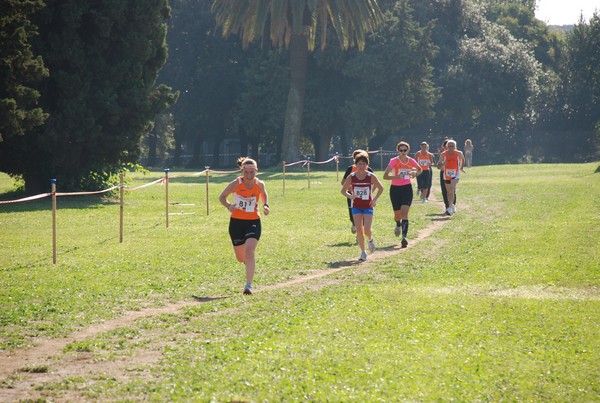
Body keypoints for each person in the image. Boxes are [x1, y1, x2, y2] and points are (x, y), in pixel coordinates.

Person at [218, 157, 270, 295]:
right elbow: (222, 197)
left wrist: (265, 205)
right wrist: (229, 206)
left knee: (249, 251)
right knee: (241, 258)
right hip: (236, 222)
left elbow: (264, 195)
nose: (249, 175)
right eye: (246, 172)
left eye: (252, 172)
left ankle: (248, 285)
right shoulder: (236, 183)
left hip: (253, 221)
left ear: (256, 171)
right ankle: (248, 263)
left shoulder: (260, 184)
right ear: (242, 171)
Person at [341, 150, 384, 261]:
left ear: (367, 165)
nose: (361, 166)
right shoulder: (352, 176)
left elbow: (381, 188)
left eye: (364, 164)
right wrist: (351, 196)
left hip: (368, 206)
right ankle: (363, 252)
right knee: (359, 230)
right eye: (359, 164)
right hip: (356, 206)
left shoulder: (371, 176)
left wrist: (374, 199)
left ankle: (370, 240)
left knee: (367, 230)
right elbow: (343, 190)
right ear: (356, 165)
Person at [383, 141, 422, 248]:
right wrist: (395, 177)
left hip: (406, 189)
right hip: (395, 190)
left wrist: (415, 173)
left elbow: (420, 170)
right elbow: (385, 176)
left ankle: (404, 237)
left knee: (404, 213)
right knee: (397, 215)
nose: (403, 152)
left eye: (405, 150)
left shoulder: (411, 161)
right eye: (401, 150)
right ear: (397, 151)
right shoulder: (394, 161)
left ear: (408, 150)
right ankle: (398, 224)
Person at [341, 150, 374, 234]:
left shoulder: (369, 170)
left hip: (365, 197)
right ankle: (354, 224)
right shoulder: (350, 169)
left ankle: (360, 233)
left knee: (364, 215)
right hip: (353, 195)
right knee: (352, 214)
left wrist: (370, 192)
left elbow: (374, 184)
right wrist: (351, 189)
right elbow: (343, 182)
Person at [437, 140, 466, 215]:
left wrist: (461, 167)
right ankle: (452, 205)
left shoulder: (459, 153)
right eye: (449, 146)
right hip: (446, 175)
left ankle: (450, 208)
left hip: (455, 174)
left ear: (455, 147)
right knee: (448, 192)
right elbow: (438, 166)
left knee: (452, 189)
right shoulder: (443, 154)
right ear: (446, 147)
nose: (451, 148)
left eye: (452, 146)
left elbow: (463, 159)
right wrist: (443, 163)